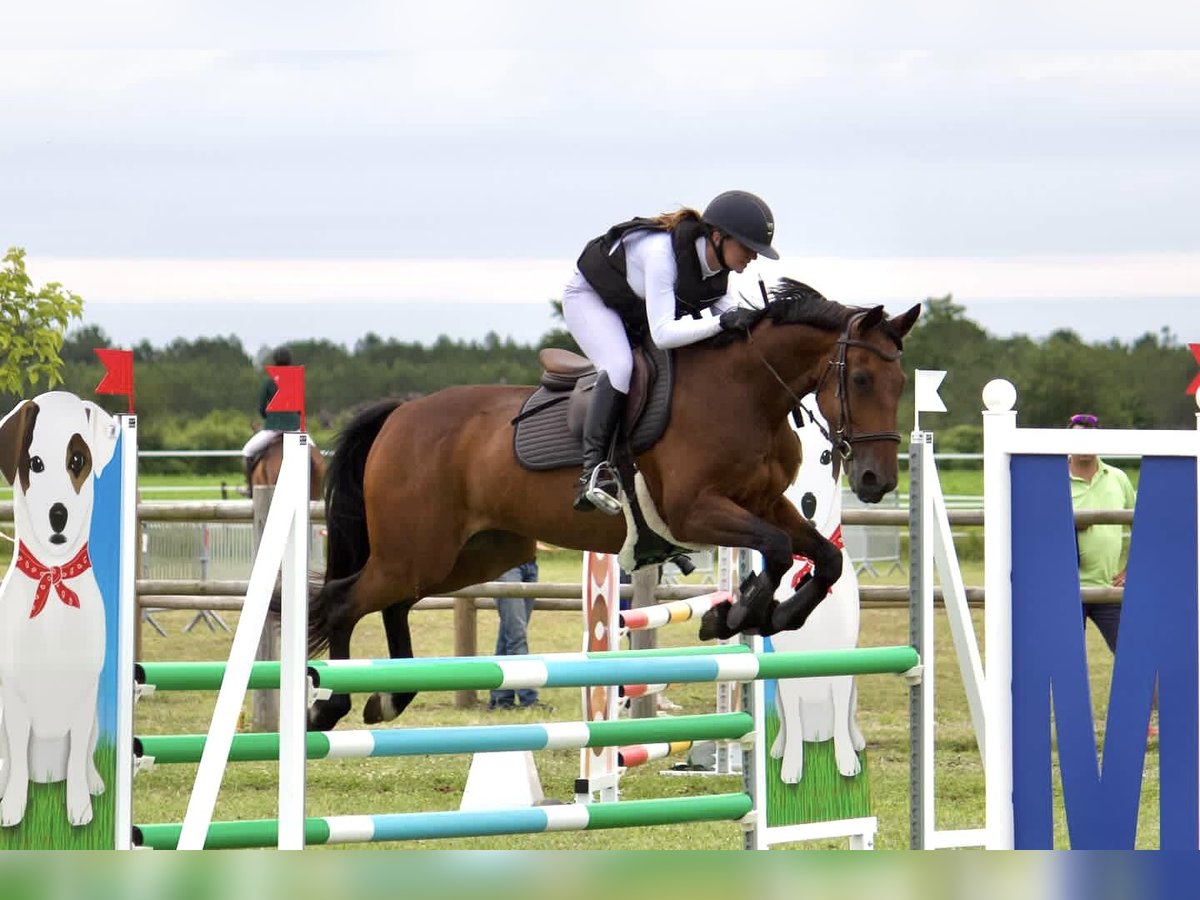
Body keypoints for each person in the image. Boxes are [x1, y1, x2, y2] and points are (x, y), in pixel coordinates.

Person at [562, 190, 779, 514]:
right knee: (620, 366)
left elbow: (732, 318)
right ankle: (593, 472)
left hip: (632, 308)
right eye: (748, 247)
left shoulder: (717, 271)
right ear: (717, 237)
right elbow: (663, 334)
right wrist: (722, 323)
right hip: (590, 298)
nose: (753, 257)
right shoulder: (661, 255)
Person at [1068, 413, 1137, 655]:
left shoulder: (1118, 478)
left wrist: (1132, 569)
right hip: (1065, 590)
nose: (1085, 447)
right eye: (1078, 440)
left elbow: (1140, 524)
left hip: (1108, 588)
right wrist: (1069, 524)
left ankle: (1151, 696)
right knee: (1064, 659)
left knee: (1133, 654)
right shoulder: (1055, 479)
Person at [241, 345, 302, 485]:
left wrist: (268, 418)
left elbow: (262, 407)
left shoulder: (268, 381)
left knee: (247, 452)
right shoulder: (296, 379)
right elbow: (300, 408)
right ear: (289, 360)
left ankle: (250, 488)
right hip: (295, 429)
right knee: (316, 455)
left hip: (273, 428)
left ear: (275, 360)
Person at [488, 559, 543, 710]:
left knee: (509, 633)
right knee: (517, 635)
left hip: (530, 563)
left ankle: (500, 698)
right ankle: (529, 699)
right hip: (505, 563)